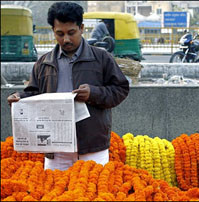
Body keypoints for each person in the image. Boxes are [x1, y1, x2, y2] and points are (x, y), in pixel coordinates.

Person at [7, 2, 129, 171]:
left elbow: (121, 89)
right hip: (55, 148)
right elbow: (34, 94)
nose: (66, 39)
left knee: (93, 194)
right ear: (53, 32)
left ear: (82, 28)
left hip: (92, 146)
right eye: (60, 34)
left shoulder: (102, 58)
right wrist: (19, 98)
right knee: (54, 193)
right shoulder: (44, 63)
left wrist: (93, 93)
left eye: (71, 33)